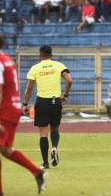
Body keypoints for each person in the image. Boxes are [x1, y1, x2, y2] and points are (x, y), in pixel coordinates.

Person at [0, 35, 46, 195]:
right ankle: (37, 172)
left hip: (4, 112)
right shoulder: (7, 59)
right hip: (13, 109)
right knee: (5, 150)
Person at [23, 45, 72, 169]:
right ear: (51, 55)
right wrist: (65, 95)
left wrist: (25, 104)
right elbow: (69, 80)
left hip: (42, 102)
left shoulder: (35, 68)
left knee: (43, 134)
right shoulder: (58, 65)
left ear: (40, 54)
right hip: (56, 101)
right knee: (54, 128)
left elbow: (29, 88)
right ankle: (54, 147)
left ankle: (45, 163)